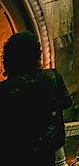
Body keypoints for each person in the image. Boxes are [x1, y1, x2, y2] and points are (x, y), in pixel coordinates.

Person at [0, 31, 72, 164]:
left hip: (12, 154)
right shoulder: (52, 78)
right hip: (44, 150)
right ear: (36, 55)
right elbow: (67, 102)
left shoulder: (3, 90)